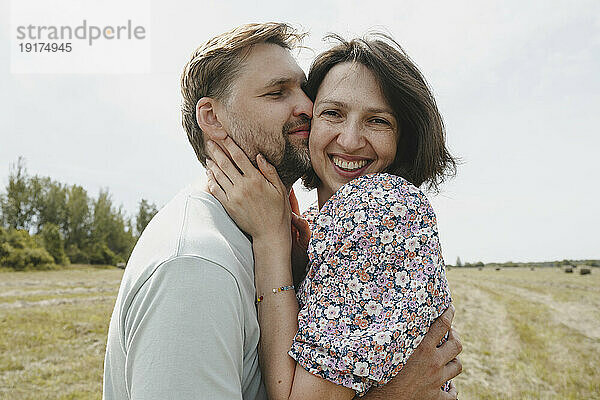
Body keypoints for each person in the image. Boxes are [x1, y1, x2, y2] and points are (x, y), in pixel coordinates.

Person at [103, 23, 461, 400]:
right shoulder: (194, 264)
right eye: (278, 93)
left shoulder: (370, 210)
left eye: (378, 120)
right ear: (211, 117)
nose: (307, 108)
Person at [205, 33, 459, 400]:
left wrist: (270, 241)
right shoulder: (319, 220)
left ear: (404, 137)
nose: (351, 140)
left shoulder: (377, 207)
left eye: (378, 121)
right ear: (309, 122)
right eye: (333, 114)